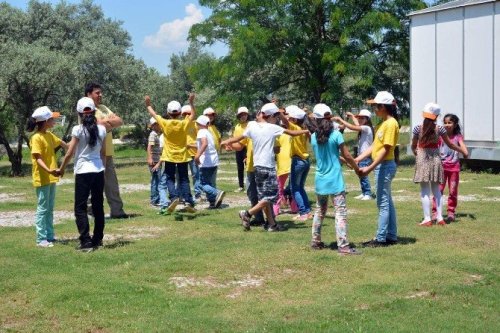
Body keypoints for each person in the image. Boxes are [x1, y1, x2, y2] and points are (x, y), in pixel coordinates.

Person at [222, 102, 309, 232]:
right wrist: (308, 130)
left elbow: (238, 138)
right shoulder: (273, 128)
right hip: (268, 166)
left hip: (257, 167)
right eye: (276, 117)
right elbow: (292, 133)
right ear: (271, 116)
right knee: (272, 196)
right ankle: (247, 214)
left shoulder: (251, 126)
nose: (277, 120)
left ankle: (271, 224)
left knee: (265, 197)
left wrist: (227, 141)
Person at [309, 104, 361, 254]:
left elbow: (328, 154)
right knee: (340, 212)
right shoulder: (336, 134)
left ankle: (315, 241)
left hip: (320, 180)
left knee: (320, 211)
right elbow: (347, 155)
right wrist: (356, 168)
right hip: (335, 180)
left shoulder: (313, 137)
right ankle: (343, 246)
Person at [58, 97, 107, 252]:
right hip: (98, 170)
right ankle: (98, 238)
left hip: (83, 171)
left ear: (79, 113)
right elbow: (103, 152)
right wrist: (102, 167)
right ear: (94, 111)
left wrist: (62, 168)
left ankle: (85, 241)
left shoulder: (78, 130)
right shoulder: (102, 129)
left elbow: (70, 152)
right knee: (98, 205)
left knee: (80, 207)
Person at [411, 104, 468, 226]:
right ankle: (440, 218)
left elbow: (413, 144)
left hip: (422, 158)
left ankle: (427, 219)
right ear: (436, 116)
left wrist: (415, 152)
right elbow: (451, 145)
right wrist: (463, 151)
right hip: (436, 159)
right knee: (437, 190)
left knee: (425, 191)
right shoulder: (440, 129)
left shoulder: (417, 128)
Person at [356, 91, 400, 247]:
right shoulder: (382, 124)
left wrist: (370, 167)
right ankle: (392, 236)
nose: (374, 108)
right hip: (381, 165)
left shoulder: (391, 123)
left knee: (382, 203)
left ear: (384, 106)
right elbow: (375, 146)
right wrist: (358, 159)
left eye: (376, 106)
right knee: (387, 201)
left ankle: (380, 238)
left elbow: (386, 150)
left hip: (385, 166)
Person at [145, 93, 196, 214]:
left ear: (168, 113)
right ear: (180, 113)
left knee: (169, 178)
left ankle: (173, 198)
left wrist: (148, 104)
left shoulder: (165, 123)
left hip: (169, 156)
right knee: (184, 179)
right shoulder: (184, 123)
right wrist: (191, 102)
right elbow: (193, 114)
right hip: (183, 156)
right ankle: (188, 200)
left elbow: (153, 113)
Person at [85, 82, 128, 219]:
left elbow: (120, 121)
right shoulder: (86, 109)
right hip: (94, 152)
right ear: (89, 94)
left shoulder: (103, 108)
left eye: (100, 92)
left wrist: (105, 122)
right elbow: (95, 125)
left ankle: (117, 211)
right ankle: (91, 210)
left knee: (111, 184)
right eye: (97, 93)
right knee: (94, 183)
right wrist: (108, 122)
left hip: (107, 152)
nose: (100, 95)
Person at [27, 106, 66, 248]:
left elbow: (63, 144)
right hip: (42, 178)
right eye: (52, 119)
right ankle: (41, 238)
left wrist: (74, 148)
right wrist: (49, 170)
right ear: (44, 121)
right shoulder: (36, 138)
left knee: (50, 208)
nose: (54, 121)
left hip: (51, 177)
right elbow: (38, 158)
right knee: (42, 209)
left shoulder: (49, 135)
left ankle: (50, 235)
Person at [432, 114, 468, 223]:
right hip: (441, 168)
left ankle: (451, 212)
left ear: (455, 124)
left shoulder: (458, 136)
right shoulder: (440, 135)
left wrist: (465, 152)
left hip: (454, 168)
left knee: (453, 191)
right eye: (445, 122)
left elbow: (462, 146)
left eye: (450, 122)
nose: (447, 125)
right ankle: (435, 212)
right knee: (439, 190)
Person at [333, 109, 374, 200]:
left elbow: (352, 127)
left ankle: (367, 193)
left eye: (362, 118)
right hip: (361, 155)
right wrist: (352, 116)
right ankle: (364, 192)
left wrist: (340, 120)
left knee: (363, 174)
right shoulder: (364, 127)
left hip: (365, 155)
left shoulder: (367, 128)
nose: (359, 119)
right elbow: (356, 124)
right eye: (359, 117)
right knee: (360, 174)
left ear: (367, 119)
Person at [287, 105, 312, 221]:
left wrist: (276, 110)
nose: (288, 119)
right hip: (306, 160)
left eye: (290, 118)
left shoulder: (295, 128)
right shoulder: (304, 128)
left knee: (294, 189)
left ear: (295, 120)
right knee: (300, 187)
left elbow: (283, 121)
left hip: (297, 161)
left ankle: (303, 213)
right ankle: (307, 211)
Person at [194, 115, 225, 208]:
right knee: (210, 183)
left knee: (203, 184)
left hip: (206, 162)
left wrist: (197, 155)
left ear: (199, 124)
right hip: (214, 160)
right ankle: (213, 202)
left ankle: (217, 193)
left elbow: (204, 144)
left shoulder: (201, 131)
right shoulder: (208, 132)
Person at [182, 105, 202, 200]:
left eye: (188, 114)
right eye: (185, 114)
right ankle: (183, 193)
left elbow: (200, 140)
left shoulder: (196, 124)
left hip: (194, 153)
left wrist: (191, 145)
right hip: (183, 154)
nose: (187, 116)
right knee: (182, 175)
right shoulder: (182, 124)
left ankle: (198, 193)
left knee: (195, 174)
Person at [273, 120, 292, 216]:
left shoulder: (277, 135)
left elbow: (275, 149)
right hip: (292, 161)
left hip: (283, 164)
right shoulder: (292, 134)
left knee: (279, 188)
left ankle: (275, 209)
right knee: (295, 187)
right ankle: (295, 207)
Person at [203, 107, 221, 187]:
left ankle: (213, 193)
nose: (210, 116)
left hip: (214, 154)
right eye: (208, 115)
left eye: (212, 115)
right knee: (205, 177)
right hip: (206, 155)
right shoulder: (202, 128)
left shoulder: (214, 128)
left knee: (213, 176)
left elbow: (218, 141)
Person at [232, 107, 249, 192]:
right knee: (240, 168)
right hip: (238, 149)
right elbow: (234, 138)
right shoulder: (237, 126)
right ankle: (241, 186)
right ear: (238, 116)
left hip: (247, 148)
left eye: (245, 114)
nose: (243, 116)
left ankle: (249, 186)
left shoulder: (249, 125)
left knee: (248, 167)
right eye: (242, 115)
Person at [147, 117, 162, 206]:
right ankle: (155, 199)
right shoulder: (153, 134)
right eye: (157, 124)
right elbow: (149, 147)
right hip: (154, 161)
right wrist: (150, 158)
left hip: (157, 160)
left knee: (157, 179)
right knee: (156, 180)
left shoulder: (158, 134)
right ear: (153, 126)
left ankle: (156, 198)